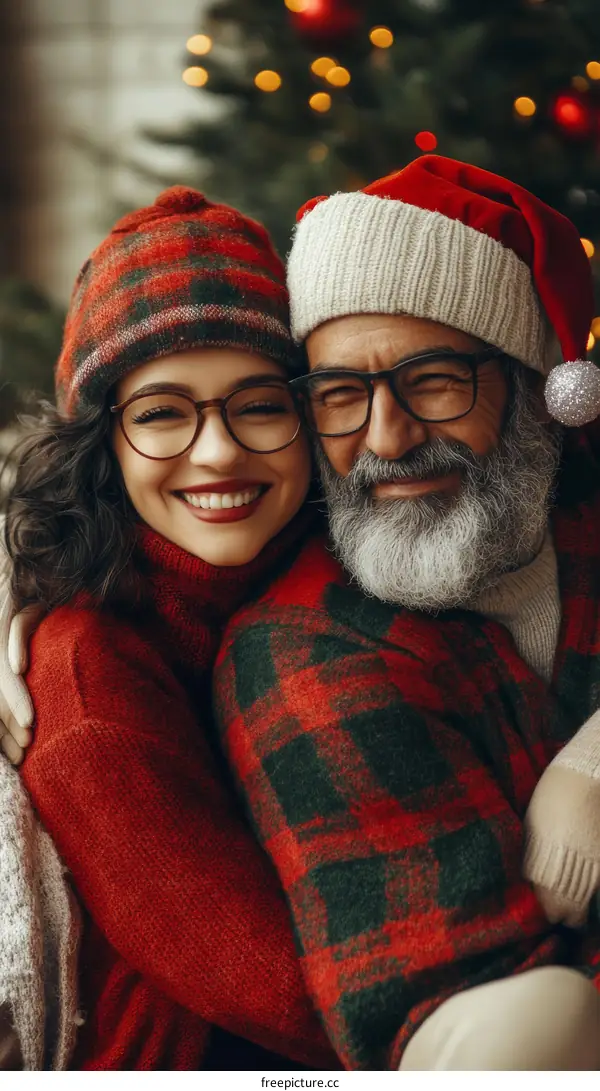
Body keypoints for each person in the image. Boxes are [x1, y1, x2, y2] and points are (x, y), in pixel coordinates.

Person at [210, 157, 600, 1069]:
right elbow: (486, 1003)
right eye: (341, 396)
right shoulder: (303, 651)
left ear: (528, 385)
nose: (385, 440)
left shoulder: (582, 521)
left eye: (432, 382)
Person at [0, 186, 339, 1071]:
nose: (219, 450)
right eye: (161, 413)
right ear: (101, 447)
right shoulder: (88, 673)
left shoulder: (348, 587)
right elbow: (273, 987)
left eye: (259, 403)